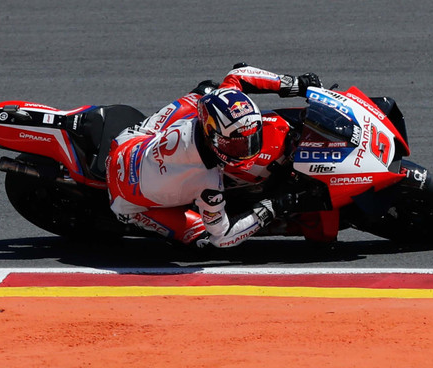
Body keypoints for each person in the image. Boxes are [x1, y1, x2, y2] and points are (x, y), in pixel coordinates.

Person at [105, 64, 322, 248]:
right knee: (204, 239)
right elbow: (223, 237)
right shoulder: (208, 183)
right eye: (236, 145)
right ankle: (134, 216)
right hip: (126, 200)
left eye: (252, 139)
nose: (247, 151)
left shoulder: (207, 125)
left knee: (207, 91)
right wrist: (271, 208)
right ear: (213, 136)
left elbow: (238, 75)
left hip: (128, 143)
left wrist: (296, 85)